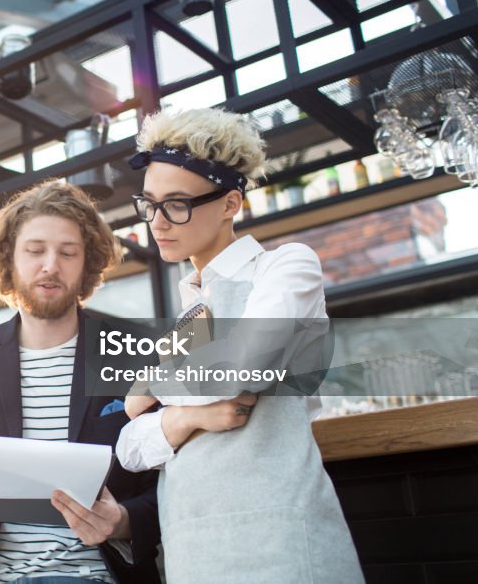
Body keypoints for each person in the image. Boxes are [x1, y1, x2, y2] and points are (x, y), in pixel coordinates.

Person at [115, 107, 364, 583]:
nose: (157, 222)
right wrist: (187, 416)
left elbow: (244, 365)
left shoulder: (285, 267)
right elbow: (129, 440)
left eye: (176, 204)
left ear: (230, 203)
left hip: (281, 538)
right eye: (148, 204)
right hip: (191, 548)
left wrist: (152, 386)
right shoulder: (189, 307)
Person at [0, 180, 163, 583]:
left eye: (68, 253)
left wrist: (120, 521)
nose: (51, 265)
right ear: (9, 260)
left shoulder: (137, 350)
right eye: (35, 251)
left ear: (87, 264)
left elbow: (173, 481)